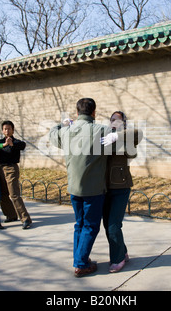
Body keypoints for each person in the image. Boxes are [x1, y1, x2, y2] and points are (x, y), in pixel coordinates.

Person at [49, 98, 112, 277]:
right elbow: (126, 140)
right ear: (94, 112)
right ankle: (81, 264)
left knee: (79, 225)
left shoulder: (67, 131)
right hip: (93, 189)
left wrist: (62, 125)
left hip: (74, 188)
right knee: (90, 226)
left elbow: (53, 134)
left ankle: (79, 258)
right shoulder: (101, 130)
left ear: (77, 113)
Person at [102, 111, 143, 273]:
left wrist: (117, 136)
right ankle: (122, 251)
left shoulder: (128, 137)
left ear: (124, 123)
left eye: (118, 120)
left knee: (114, 225)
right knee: (107, 225)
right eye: (112, 120)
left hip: (121, 186)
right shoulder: (104, 135)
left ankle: (117, 259)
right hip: (104, 188)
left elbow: (138, 133)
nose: (114, 122)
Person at [0, 120, 32, 229]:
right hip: (0, 169)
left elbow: (23, 145)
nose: (7, 131)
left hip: (11, 169)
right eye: (5, 129)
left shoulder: (16, 142)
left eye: (9, 129)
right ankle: (11, 215)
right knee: (3, 194)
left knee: (14, 194)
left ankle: (25, 219)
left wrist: (12, 144)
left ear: (12, 130)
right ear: (2, 130)